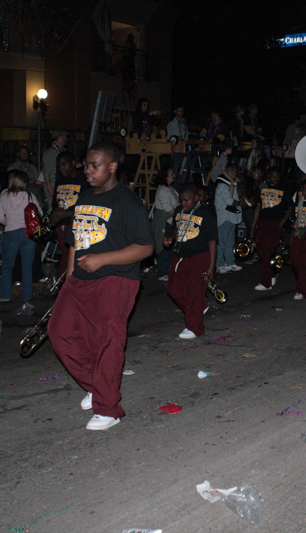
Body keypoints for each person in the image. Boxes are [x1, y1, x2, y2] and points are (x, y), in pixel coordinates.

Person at [48, 141, 153, 431]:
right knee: (59, 333)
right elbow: (74, 242)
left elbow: (145, 247)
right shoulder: (83, 198)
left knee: (107, 342)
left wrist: (102, 259)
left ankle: (109, 409)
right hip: (80, 281)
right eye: (87, 165)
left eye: (95, 165)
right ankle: (96, 386)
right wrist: (69, 278)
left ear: (112, 166)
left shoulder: (128, 202)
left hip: (116, 280)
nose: (88, 171)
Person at [164, 183, 218, 339]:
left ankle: (194, 328)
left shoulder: (206, 213)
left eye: (186, 200)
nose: (183, 203)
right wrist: (170, 238)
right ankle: (199, 309)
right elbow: (176, 229)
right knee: (173, 290)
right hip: (180, 255)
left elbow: (212, 240)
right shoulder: (179, 210)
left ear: (196, 198)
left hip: (199, 256)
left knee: (194, 292)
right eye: (181, 200)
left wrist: (211, 267)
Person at [0, 170, 41, 307]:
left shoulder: (3, 196)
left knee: (7, 267)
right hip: (28, 234)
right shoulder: (29, 196)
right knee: (27, 267)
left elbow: (0, 217)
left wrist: (9, 222)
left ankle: (5, 296)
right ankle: (27, 296)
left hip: (11, 233)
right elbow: (39, 213)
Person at [250, 167, 289, 290]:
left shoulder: (284, 189)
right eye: (273, 176)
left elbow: (291, 208)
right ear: (268, 177)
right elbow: (257, 208)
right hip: (262, 223)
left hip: (275, 223)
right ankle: (272, 272)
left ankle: (265, 283)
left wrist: (282, 222)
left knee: (269, 251)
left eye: (277, 176)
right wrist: (253, 227)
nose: (275, 179)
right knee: (261, 251)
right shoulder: (262, 188)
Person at [50, 151, 88, 276]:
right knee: (65, 254)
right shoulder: (60, 181)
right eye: (59, 166)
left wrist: (66, 214)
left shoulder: (83, 180)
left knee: (73, 255)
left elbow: (86, 208)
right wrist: (54, 216)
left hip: (77, 224)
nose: (61, 168)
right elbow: (55, 202)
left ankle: (67, 281)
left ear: (72, 163)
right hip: (62, 225)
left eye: (64, 164)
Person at [214, 163, 243, 274]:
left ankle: (229, 262)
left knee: (230, 242)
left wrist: (234, 182)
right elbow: (229, 201)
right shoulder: (222, 185)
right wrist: (241, 203)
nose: (236, 175)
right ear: (230, 173)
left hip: (230, 218)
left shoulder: (229, 184)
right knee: (222, 242)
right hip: (224, 218)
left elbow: (234, 185)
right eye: (235, 172)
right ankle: (219, 264)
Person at [152, 168, 180, 281]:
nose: (174, 175)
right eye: (171, 174)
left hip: (171, 221)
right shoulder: (162, 190)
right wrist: (181, 214)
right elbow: (168, 208)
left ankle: (168, 270)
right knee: (164, 246)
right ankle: (162, 272)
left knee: (170, 246)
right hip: (164, 222)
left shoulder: (170, 188)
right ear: (165, 177)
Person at [42, 130, 68, 199]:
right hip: (53, 185)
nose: (66, 139)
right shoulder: (51, 152)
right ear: (60, 138)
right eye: (65, 137)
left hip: (60, 185)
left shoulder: (62, 151)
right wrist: (49, 188)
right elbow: (46, 172)